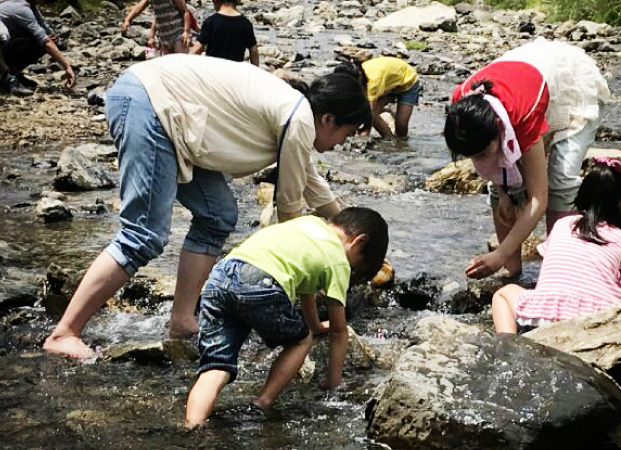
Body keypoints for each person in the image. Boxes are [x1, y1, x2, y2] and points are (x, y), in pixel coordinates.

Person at [42, 54, 372, 359]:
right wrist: (305, 265)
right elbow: (289, 212)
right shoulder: (298, 118)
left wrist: (356, 229)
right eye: (347, 133)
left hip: (173, 118)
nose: (342, 142)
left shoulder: (293, 113)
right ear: (328, 119)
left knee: (218, 215)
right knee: (144, 234)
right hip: (152, 105)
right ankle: (65, 332)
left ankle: (183, 319)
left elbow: (313, 186)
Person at [184, 207, 389, 428]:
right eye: (356, 266)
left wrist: (316, 325)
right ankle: (262, 402)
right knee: (301, 340)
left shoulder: (308, 224)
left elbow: (305, 288)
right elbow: (340, 330)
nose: (350, 269)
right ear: (358, 242)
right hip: (260, 282)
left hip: (220, 276)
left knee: (216, 366)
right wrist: (333, 382)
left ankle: (192, 426)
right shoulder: (338, 260)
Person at [445, 37, 610, 280]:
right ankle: (511, 270)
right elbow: (496, 167)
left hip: (568, 84)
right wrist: (503, 194)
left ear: (500, 129)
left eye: (481, 154)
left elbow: (538, 200)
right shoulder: (462, 112)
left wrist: (499, 252)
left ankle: (558, 269)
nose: (478, 162)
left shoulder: (523, 115)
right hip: (521, 75)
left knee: (560, 180)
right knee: (501, 191)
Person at [491, 158, 621, 334]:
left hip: (545, 316)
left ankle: (508, 341)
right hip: (600, 321)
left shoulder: (563, 224)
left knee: (502, 294)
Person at [334, 56, 420, 139]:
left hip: (407, 82)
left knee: (401, 126)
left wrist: (366, 132)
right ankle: (389, 135)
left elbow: (371, 112)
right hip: (387, 83)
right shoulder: (360, 76)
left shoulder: (373, 81)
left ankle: (391, 140)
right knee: (371, 111)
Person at [0, 0, 75, 91]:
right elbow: (44, 40)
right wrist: (67, 66)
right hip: (2, 46)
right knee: (38, 42)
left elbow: (43, 25)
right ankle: (8, 74)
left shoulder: (29, 4)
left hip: (8, 42)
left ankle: (15, 72)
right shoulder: (20, 7)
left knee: (44, 40)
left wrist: (53, 35)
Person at [190, 0, 258, 66]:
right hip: (235, 72)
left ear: (215, 1)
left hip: (214, 71)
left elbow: (198, 48)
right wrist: (255, 72)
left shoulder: (211, 22)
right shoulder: (246, 23)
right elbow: (253, 51)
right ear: (237, 1)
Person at [121, 0, 194, 55]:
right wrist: (128, 20)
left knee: (180, 62)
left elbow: (185, 11)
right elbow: (140, 8)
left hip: (178, 33)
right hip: (164, 37)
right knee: (167, 66)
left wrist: (186, 32)